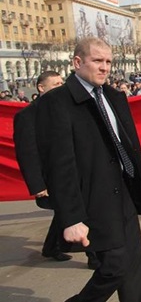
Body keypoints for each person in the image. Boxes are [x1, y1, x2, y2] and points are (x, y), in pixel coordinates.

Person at [35, 37, 141, 301]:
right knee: (115, 267)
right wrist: (70, 218)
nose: (105, 67)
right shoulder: (57, 102)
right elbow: (59, 164)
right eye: (97, 61)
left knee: (135, 271)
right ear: (77, 62)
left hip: (125, 193)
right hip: (93, 199)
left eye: (108, 62)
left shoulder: (114, 96)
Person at [13, 71, 69, 261]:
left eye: (62, 83)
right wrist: (38, 185)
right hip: (50, 176)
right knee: (72, 209)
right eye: (55, 84)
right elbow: (27, 153)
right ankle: (95, 256)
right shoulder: (27, 116)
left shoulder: (68, 109)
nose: (61, 87)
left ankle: (51, 247)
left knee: (68, 209)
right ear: (41, 88)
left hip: (70, 172)